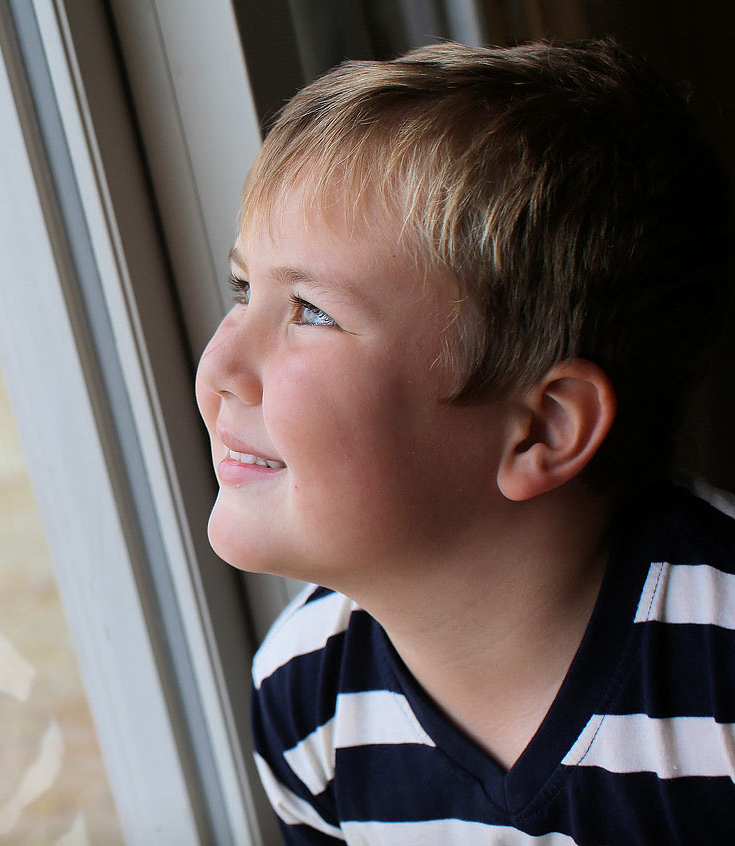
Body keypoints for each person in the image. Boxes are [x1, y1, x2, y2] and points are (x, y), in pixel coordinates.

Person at [195, 38, 735, 844]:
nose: (222, 363)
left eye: (311, 310)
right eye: (244, 289)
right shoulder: (308, 695)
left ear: (544, 429)